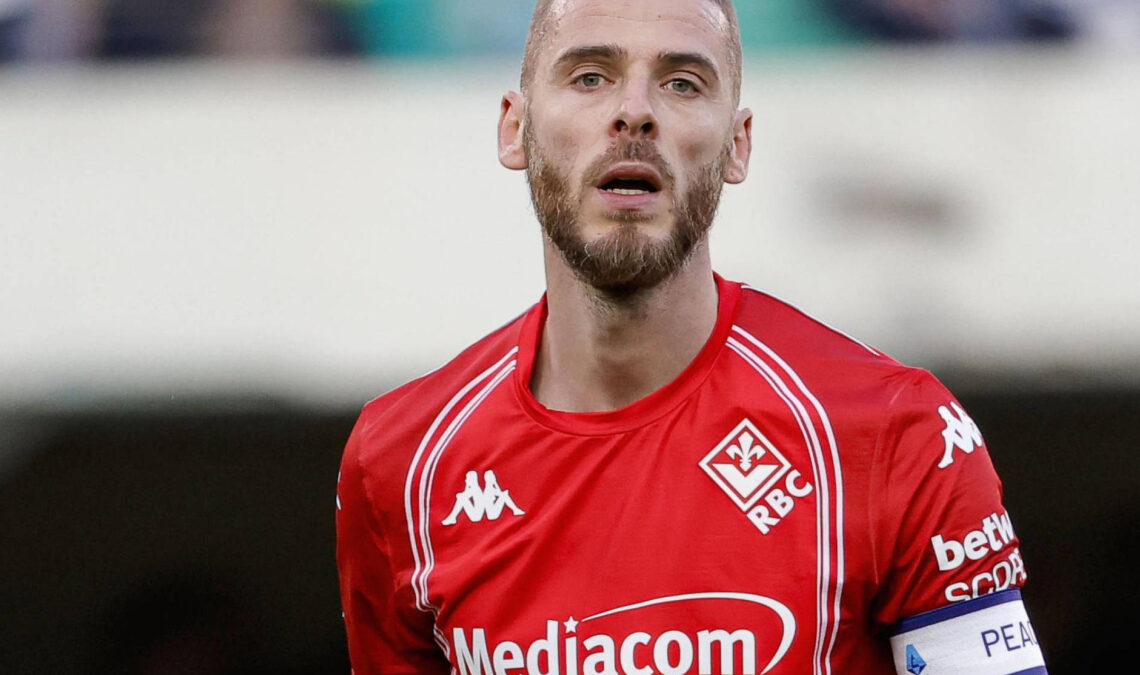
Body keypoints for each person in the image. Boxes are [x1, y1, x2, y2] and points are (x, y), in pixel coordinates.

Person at [335, 1, 1048, 673]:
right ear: (514, 129)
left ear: (737, 146)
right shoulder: (401, 461)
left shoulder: (898, 433)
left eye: (682, 83)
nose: (634, 112)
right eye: (590, 77)